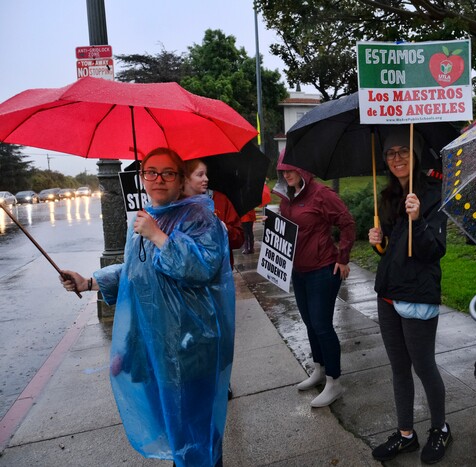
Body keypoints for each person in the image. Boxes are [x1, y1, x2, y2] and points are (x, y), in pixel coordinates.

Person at [59, 147, 235, 467]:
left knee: (198, 434)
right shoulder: (143, 220)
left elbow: (202, 269)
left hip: (190, 346)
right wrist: (88, 283)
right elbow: (135, 271)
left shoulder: (200, 218)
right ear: (142, 177)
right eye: (151, 172)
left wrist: (159, 236)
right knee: (175, 433)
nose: (158, 179)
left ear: (180, 179)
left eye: (168, 172)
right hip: (152, 347)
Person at [368, 127, 452, 464]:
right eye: (390, 153)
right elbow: (391, 250)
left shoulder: (432, 193)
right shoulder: (388, 197)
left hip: (418, 294)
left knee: (423, 365)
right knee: (399, 368)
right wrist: (378, 241)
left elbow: (435, 250)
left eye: (403, 151)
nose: (396, 158)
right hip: (388, 293)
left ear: (415, 154)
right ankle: (406, 435)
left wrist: (418, 219)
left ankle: (440, 429)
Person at [273, 155, 356, 407]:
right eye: (282, 171)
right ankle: (319, 370)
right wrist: (274, 225)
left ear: (302, 169)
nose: (286, 175)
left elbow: (347, 223)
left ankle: (334, 382)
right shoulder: (288, 196)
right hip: (299, 271)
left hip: (323, 270)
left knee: (321, 325)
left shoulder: (321, 194)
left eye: (290, 170)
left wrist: (342, 258)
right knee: (310, 323)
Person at [183, 158, 244, 267]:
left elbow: (239, 239)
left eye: (206, 174)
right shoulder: (177, 205)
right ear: (186, 178)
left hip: (221, 273)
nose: (206, 179)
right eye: (200, 175)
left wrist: (222, 227)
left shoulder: (220, 200)